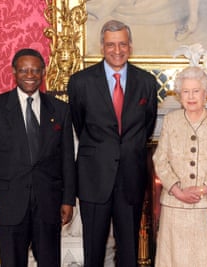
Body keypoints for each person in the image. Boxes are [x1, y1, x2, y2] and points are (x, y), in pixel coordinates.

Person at [67, 20, 158, 267]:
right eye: (110, 44)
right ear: (102, 47)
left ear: (130, 46)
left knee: (128, 252)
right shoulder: (80, 82)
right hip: (93, 178)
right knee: (93, 251)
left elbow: (146, 128)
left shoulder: (147, 82)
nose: (116, 50)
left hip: (131, 177)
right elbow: (80, 125)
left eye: (122, 44)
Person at [0, 48, 76, 266]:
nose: (30, 75)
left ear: (43, 72)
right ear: (14, 72)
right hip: (8, 204)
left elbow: (67, 159)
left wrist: (68, 199)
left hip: (48, 203)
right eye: (24, 70)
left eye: (35, 70)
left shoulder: (60, 110)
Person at [152, 66, 207, 267]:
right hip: (175, 207)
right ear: (180, 95)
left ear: (206, 94)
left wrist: (204, 188)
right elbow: (160, 160)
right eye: (186, 92)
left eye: (196, 91)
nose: (191, 96)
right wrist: (177, 190)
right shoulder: (171, 120)